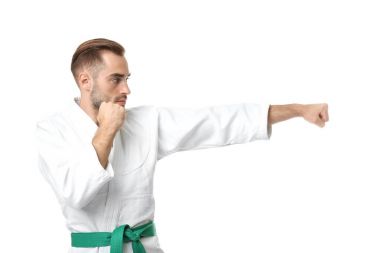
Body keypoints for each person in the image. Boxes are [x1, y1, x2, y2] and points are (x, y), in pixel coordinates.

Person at [35, 38, 329, 253]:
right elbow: (76, 193)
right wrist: (108, 130)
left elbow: (216, 121)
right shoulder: (52, 131)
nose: (127, 89)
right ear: (85, 81)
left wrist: (297, 109)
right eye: (116, 79)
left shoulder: (146, 122)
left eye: (127, 79)